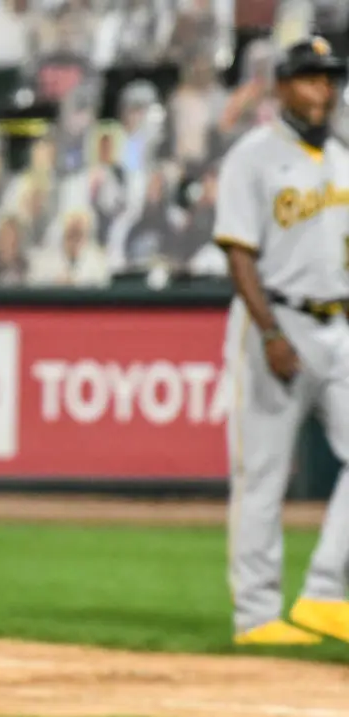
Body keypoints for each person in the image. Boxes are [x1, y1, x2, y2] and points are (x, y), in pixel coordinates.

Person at [214, 36, 349, 646]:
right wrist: (268, 331)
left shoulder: (342, 157)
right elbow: (239, 252)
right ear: (282, 86)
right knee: (264, 476)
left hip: (338, 325)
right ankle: (257, 615)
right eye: (310, 78)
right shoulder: (254, 157)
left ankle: (324, 592)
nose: (323, 88)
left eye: (329, 78)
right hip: (276, 323)